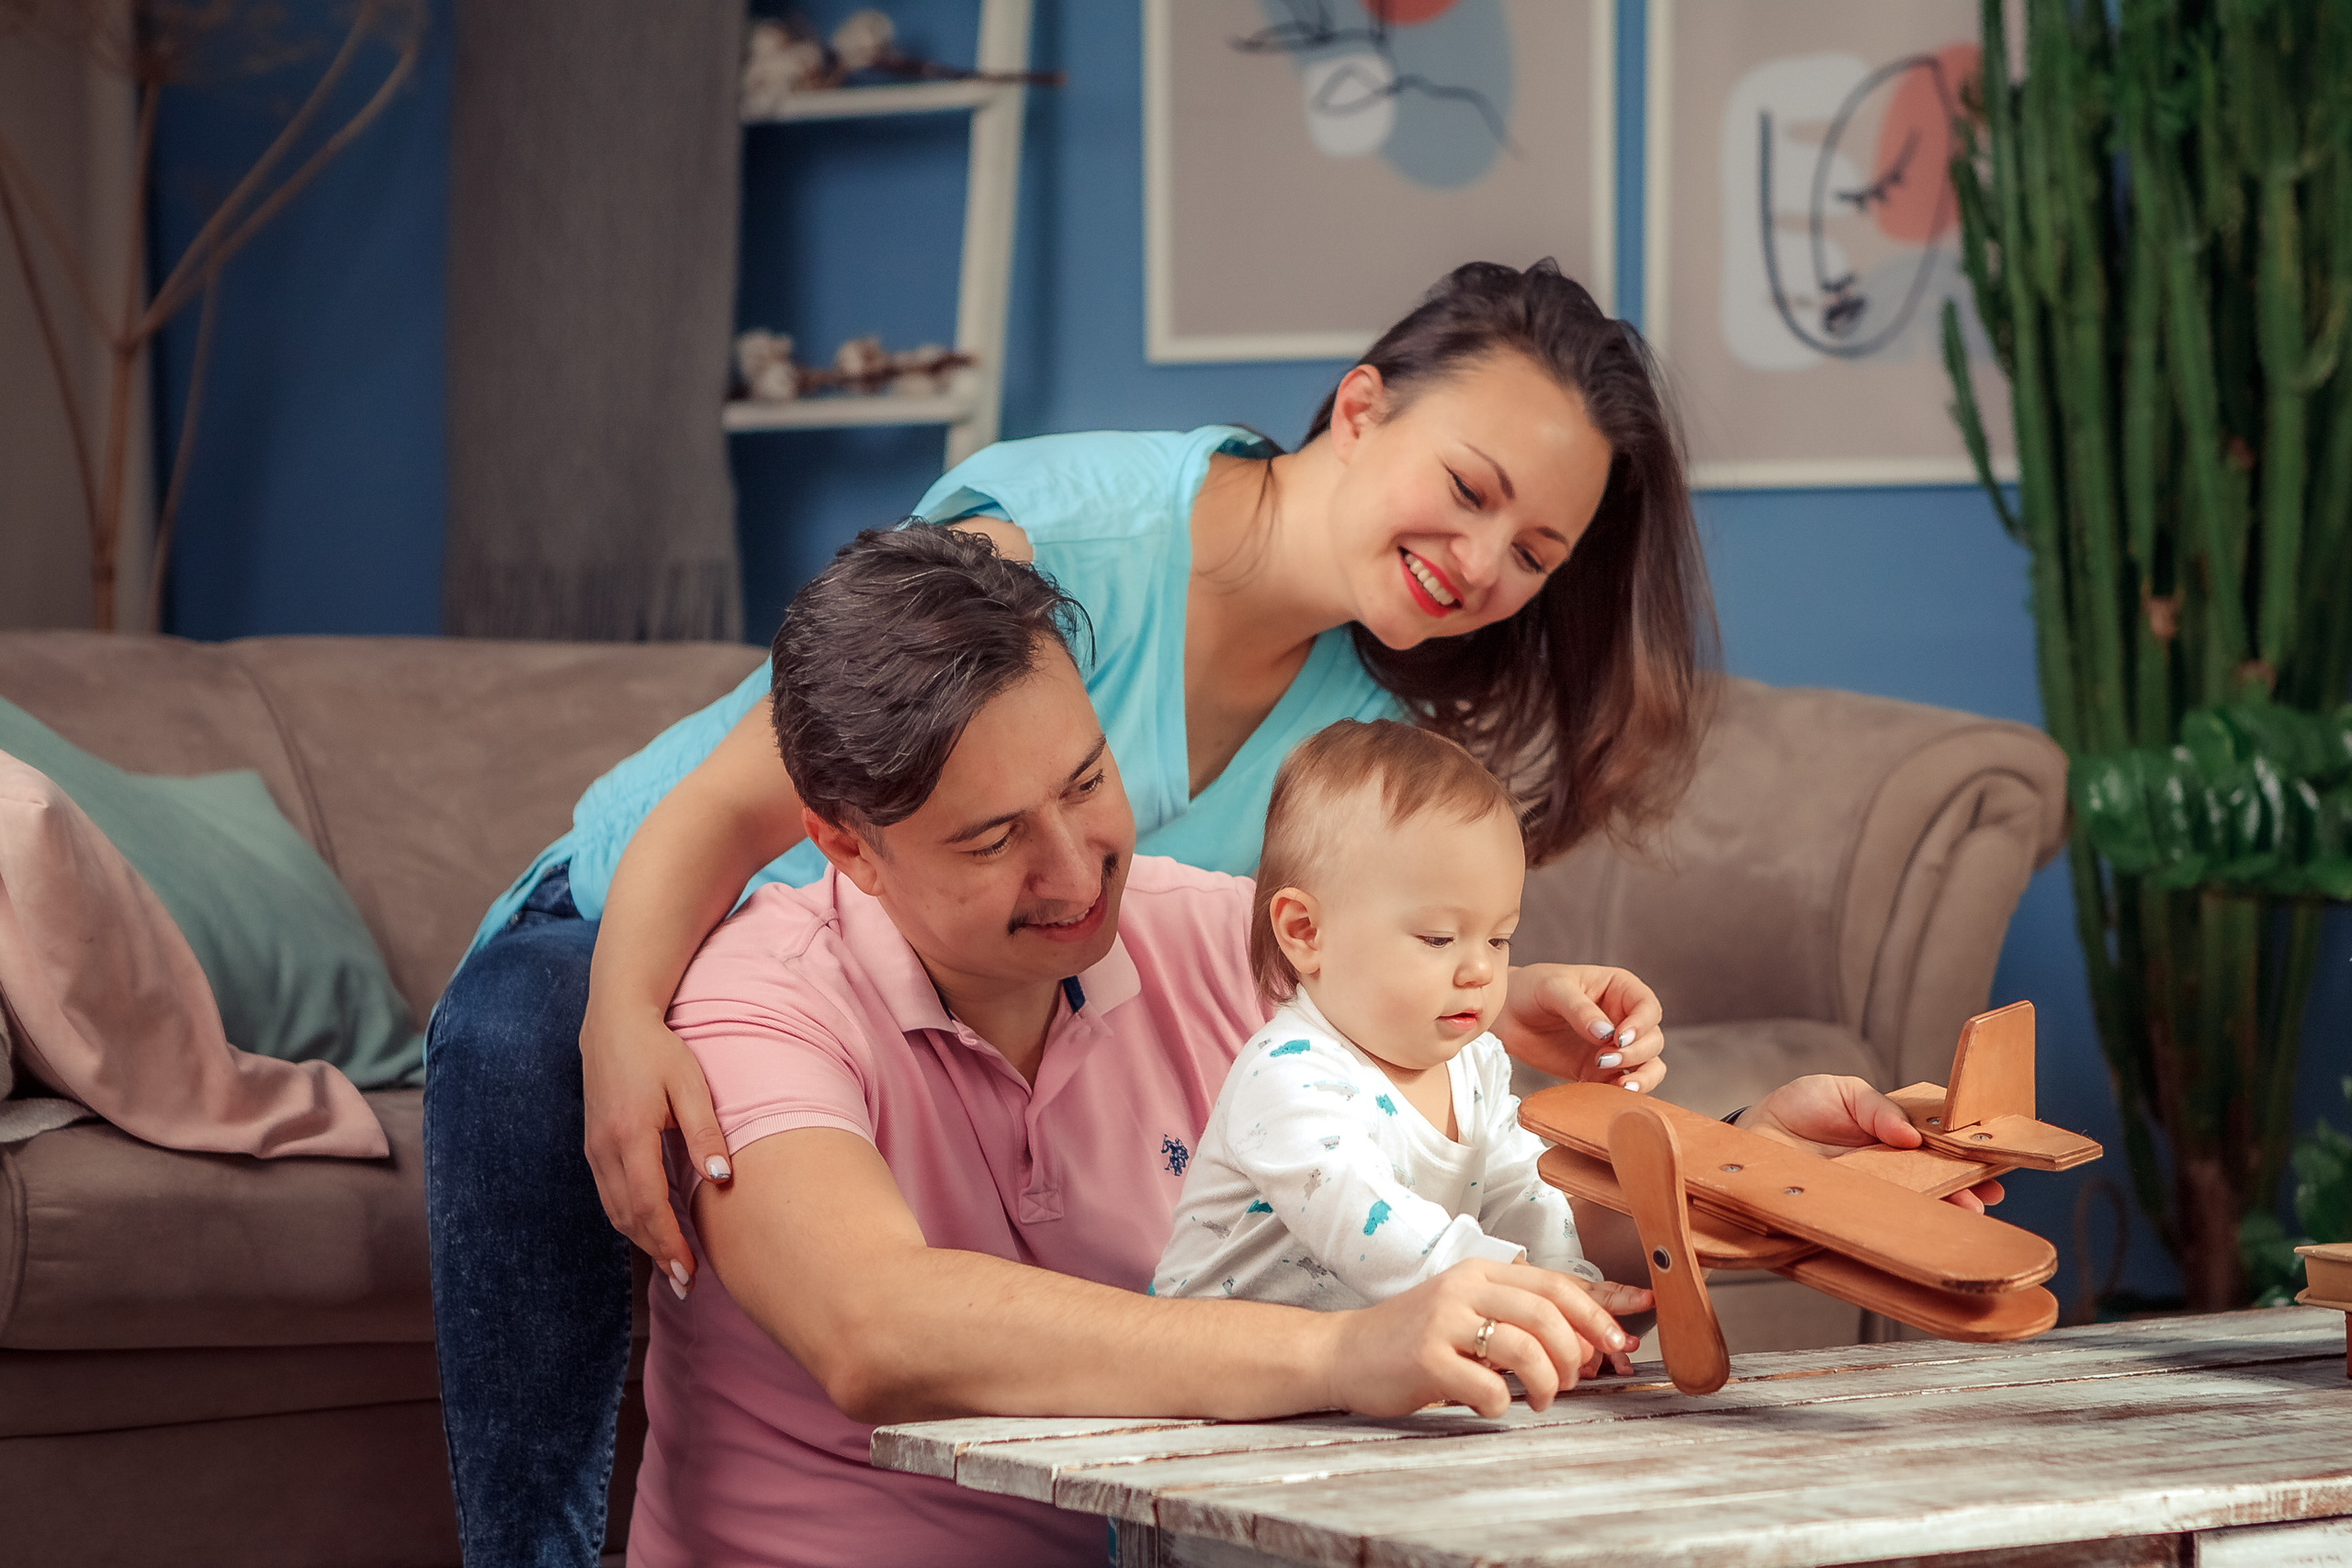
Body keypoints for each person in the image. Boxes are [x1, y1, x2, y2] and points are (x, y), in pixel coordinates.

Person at [423, 258, 1716, 1564]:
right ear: (1363, 407)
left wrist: (1488, 995)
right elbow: (727, 807)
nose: (1483, 561)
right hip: (666, 895)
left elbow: (1290, 946)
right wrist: (624, 1017)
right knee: (520, 1045)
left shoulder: (1358, 723)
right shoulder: (1064, 541)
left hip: (967, 958)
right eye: (1470, 489)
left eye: (1535, 552)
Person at [628, 526, 1660, 1567]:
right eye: (994, 840)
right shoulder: (758, 999)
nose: (1078, 876)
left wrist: (1716, 1179)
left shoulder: (1206, 934)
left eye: (1085, 783)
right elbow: (871, 1326)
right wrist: (1347, 1349)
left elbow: (1484, 1169)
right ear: (849, 846)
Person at [1152, 719, 1611, 1314]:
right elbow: (1370, 1224)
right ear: (1306, 931)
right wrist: (1520, 1288)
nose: (1481, 969)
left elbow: (1520, 1187)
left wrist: (1567, 1281)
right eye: (1438, 937)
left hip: (1366, 1349)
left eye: (1500, 939)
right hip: (1219, 1352)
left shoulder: (1475, 1064)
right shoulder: (1287, 1076)